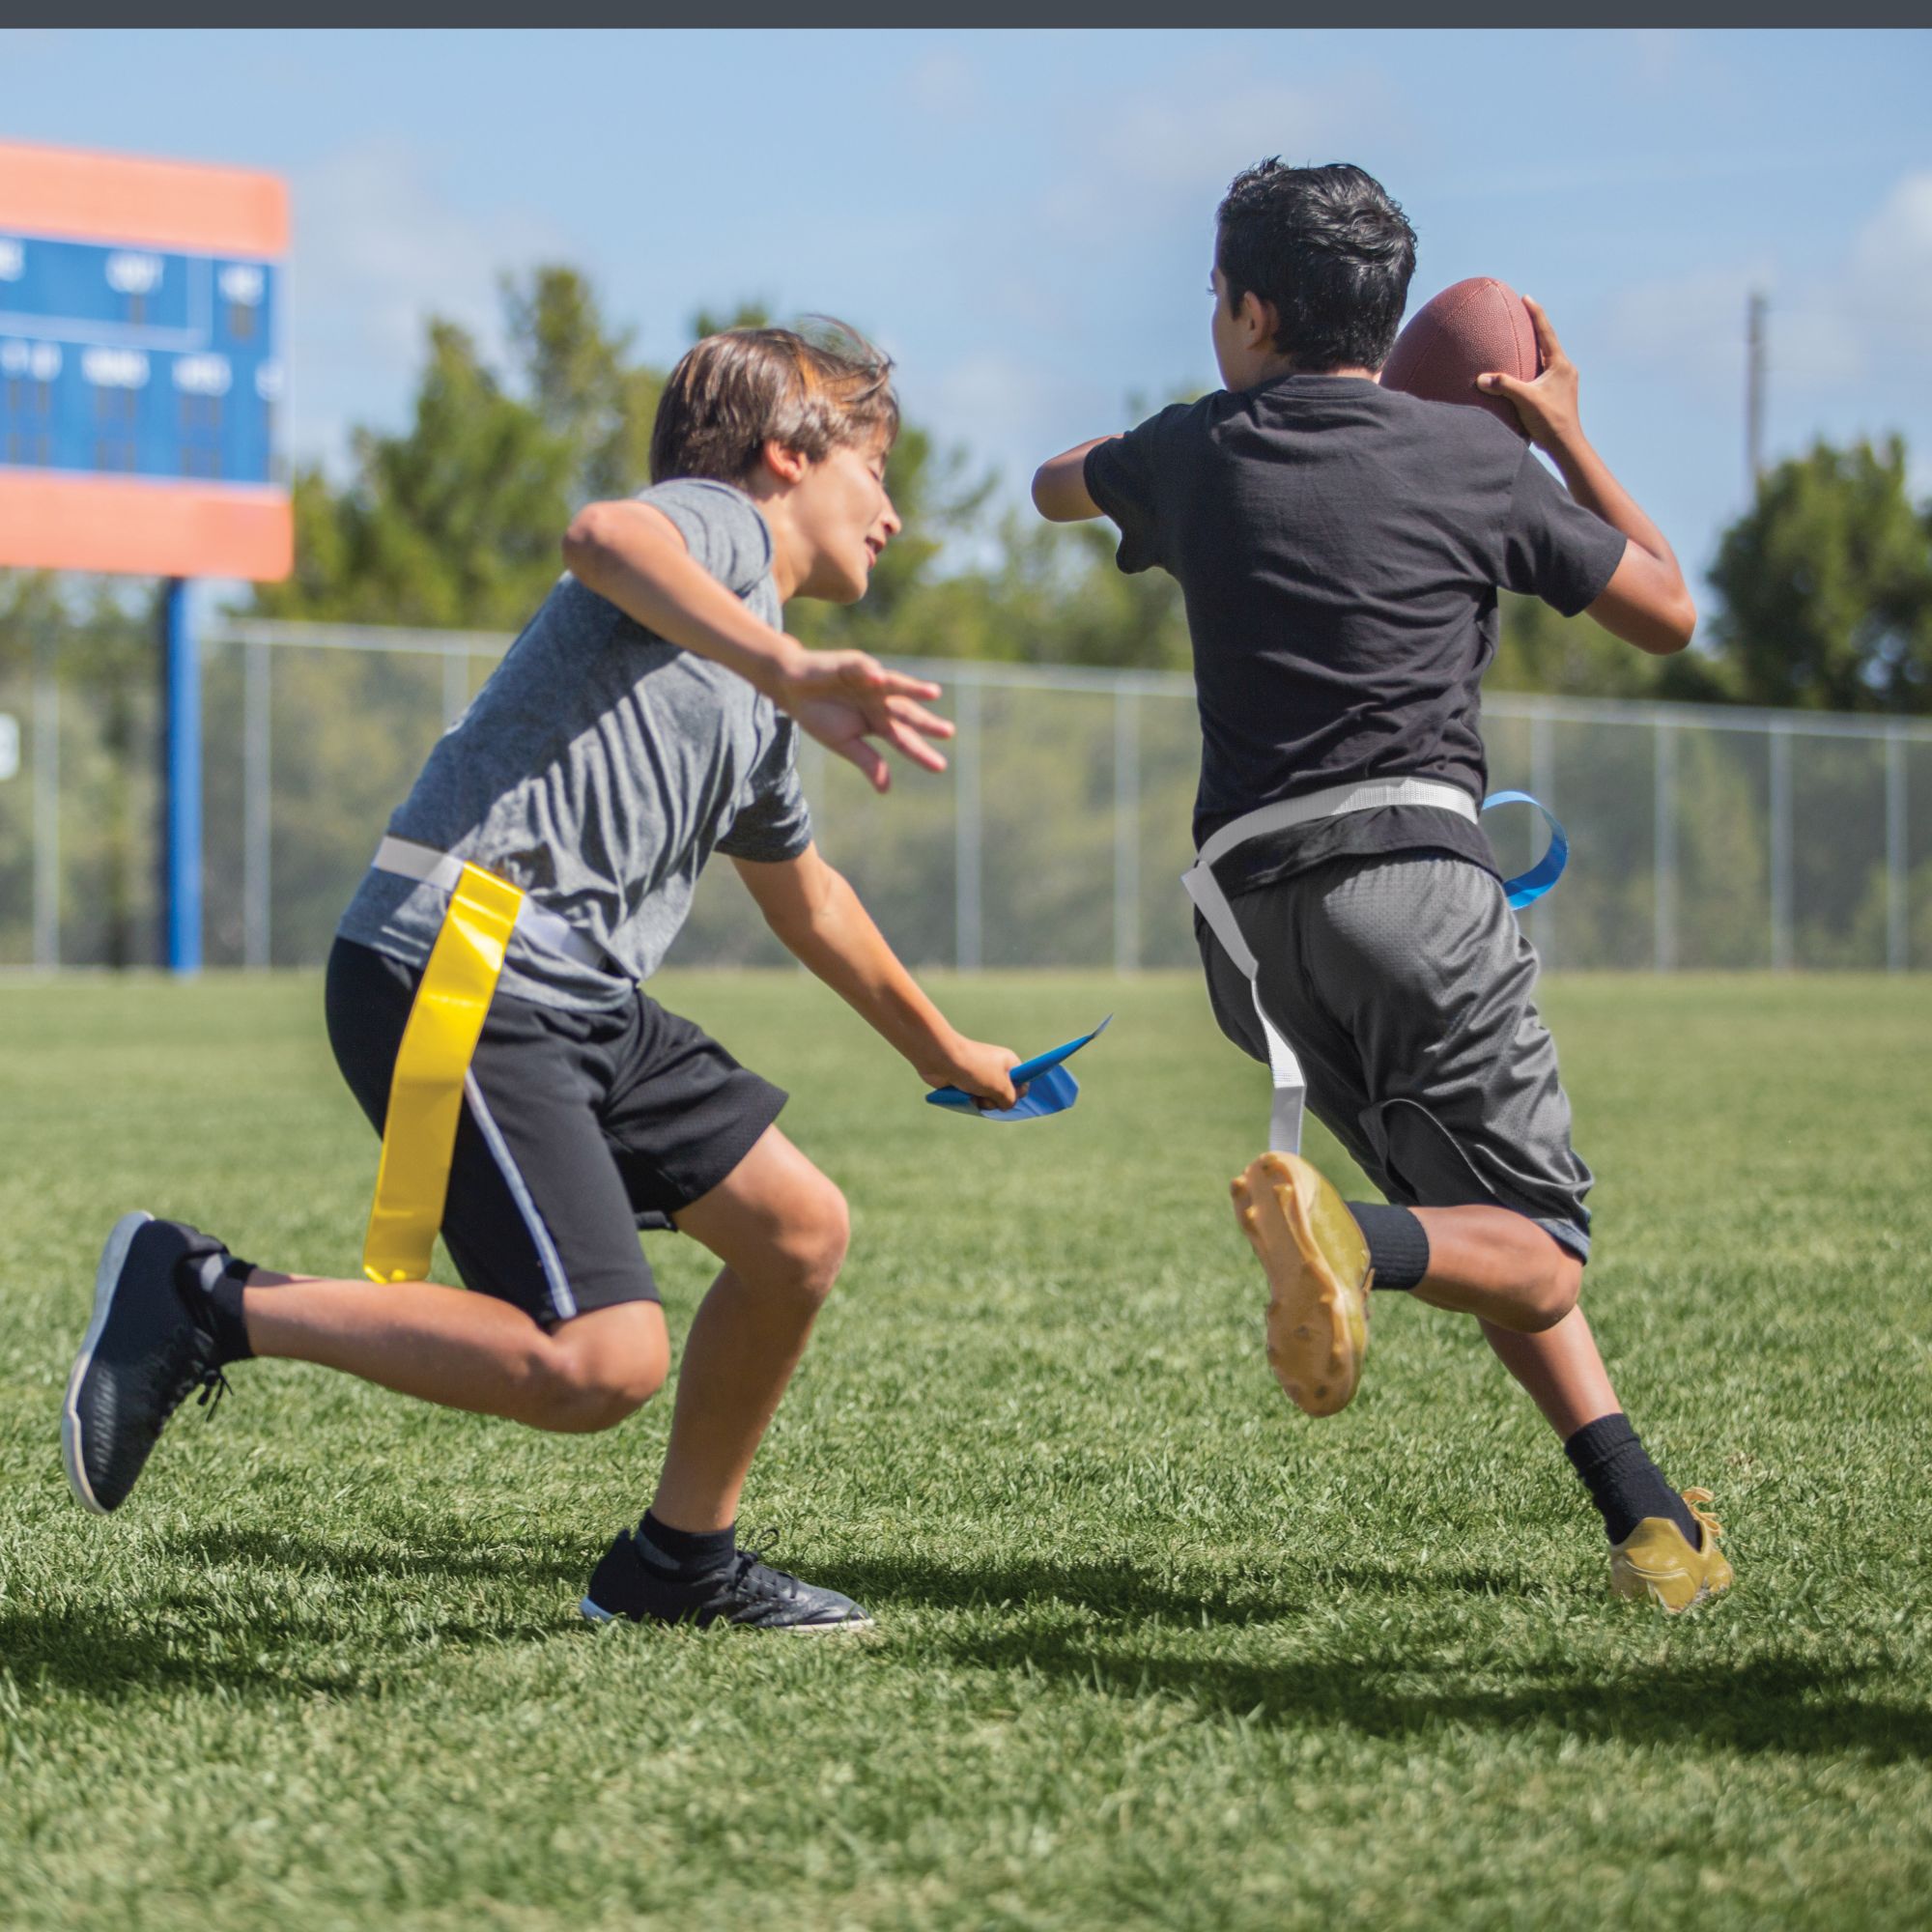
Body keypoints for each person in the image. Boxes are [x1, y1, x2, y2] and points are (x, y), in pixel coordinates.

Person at [63, 321, 1021, 1633]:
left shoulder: (752, 679)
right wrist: (790, 666)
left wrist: (943, 1049)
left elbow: (810, 898)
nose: (897, 515)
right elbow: (600, 539)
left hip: (573, 995)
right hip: (465, 961)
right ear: (788, 456)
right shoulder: (722, 535)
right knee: (597, 1364)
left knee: (798, 1232)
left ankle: (678, 1562)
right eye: (878, 469)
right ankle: (204, 1295)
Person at [1031, 161, 1730, 1613]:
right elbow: (1666, 610)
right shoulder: (1480, 464)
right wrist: (1565, 440)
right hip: (1414, 893)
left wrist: (1158, 447)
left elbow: (1050, 487)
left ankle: (1650, 1518)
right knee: (1533, 1249)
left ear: (1250, 309)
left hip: (1249, 934)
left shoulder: (1197, 444)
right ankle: (1353, 1235)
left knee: (1470, 1213)